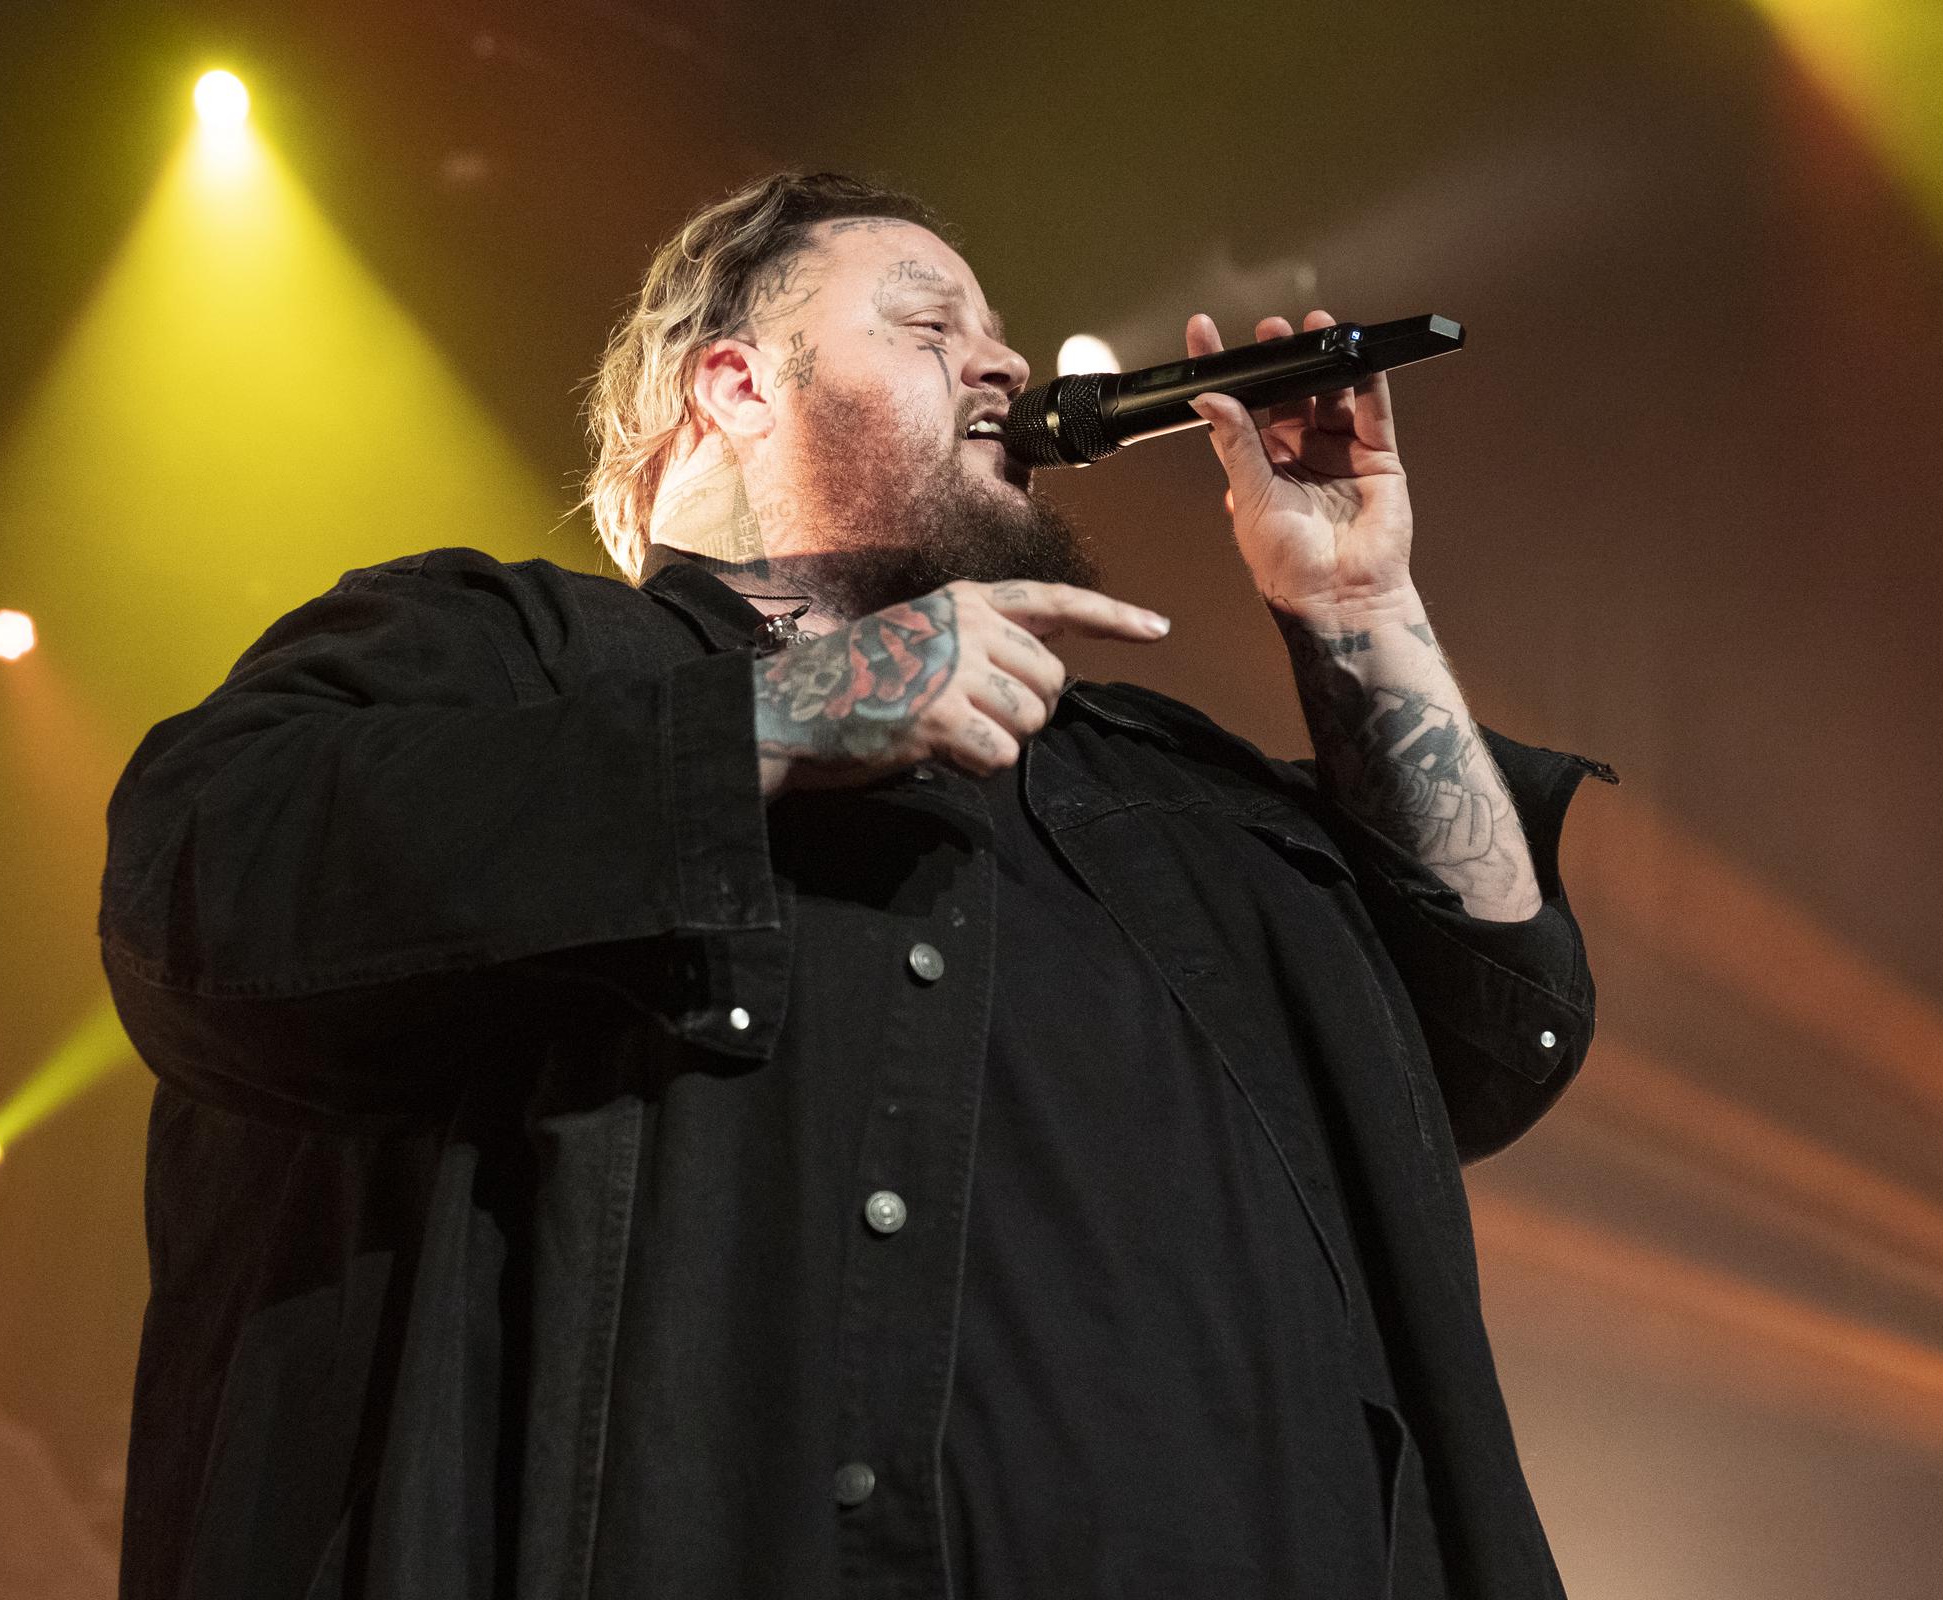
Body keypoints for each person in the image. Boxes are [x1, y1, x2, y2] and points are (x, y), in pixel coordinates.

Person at [101, 171, 1613, 1600]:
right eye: (929, 326)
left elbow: (1490, 1028)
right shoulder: (510, 661)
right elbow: (196, 883)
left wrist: (1358, 610)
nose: (1002, 370)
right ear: (734, 383)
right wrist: (771, 717)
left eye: (1004, 340)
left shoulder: (1167, 788)